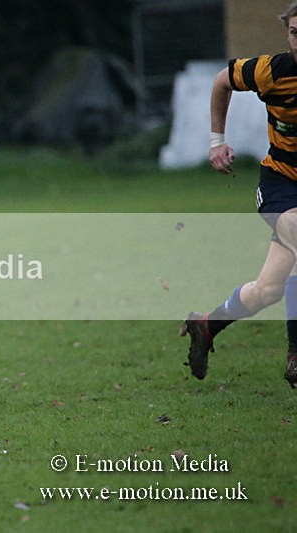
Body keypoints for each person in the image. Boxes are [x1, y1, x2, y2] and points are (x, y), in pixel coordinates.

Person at [180, 0, 297, 388]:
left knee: (267, 290)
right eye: (295, 34)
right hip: (281, 185)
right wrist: (217, 141)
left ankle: (207, 325)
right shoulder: (271, 71)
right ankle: (296, 356)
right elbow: (221, 81)